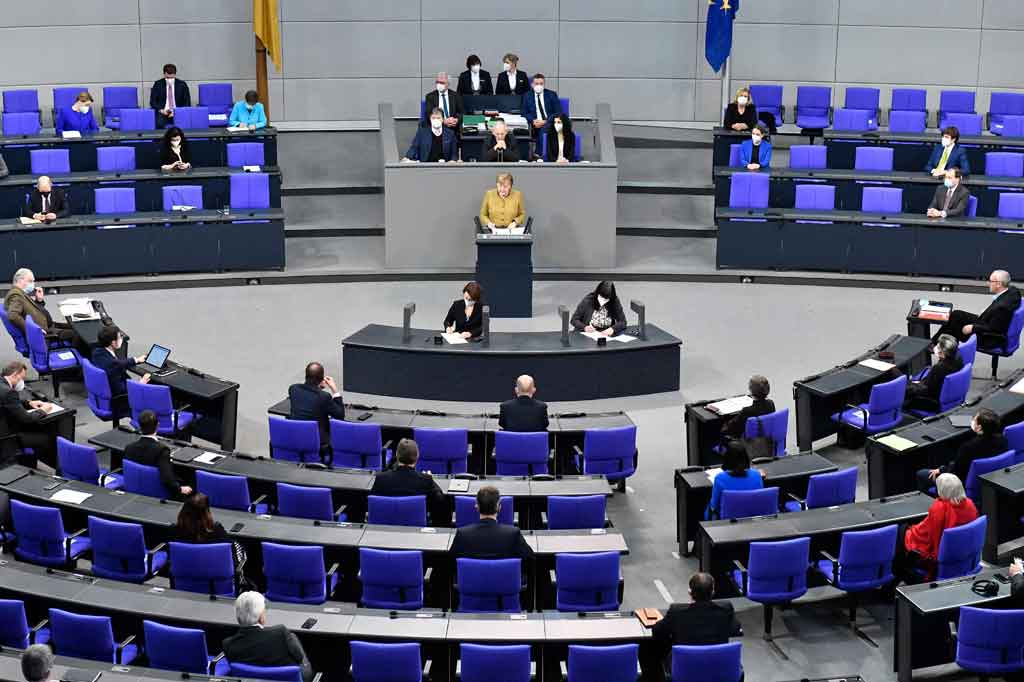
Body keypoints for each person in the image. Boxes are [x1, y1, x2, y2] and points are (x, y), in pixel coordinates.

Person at [641, 573, 742, 681]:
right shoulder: (726, 608)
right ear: (713, 592)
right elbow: (735, 628)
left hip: (685, 670)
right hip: (718, 667)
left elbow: (657, 631)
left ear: (690, 592)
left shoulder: (676, 611)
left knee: (648, 649)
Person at [898, 473, 977, 581]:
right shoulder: (970, 504)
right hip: (963, 553)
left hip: (932, 552)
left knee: (898, 532)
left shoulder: (939, 508)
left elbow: (934, 541)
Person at [223, 591, 314, 682]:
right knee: (293, 637)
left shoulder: (228, 644)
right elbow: (299, 658)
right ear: (261, 617)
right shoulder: (280, 633)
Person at [916, 408, 1007, 494]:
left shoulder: (968, 447)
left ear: (979, 427)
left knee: (921, 474)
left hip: (960, 484)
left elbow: (956, 472)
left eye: (974, 420)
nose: (972, 421)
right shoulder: (1002, 440)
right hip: (988, 480)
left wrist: (941, 470)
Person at [369, 438, 446, 524]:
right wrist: (431, 480)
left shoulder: (381, 478)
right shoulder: (425, 480)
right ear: (417, 456)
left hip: (385, 528)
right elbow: (440, 500)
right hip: (416, 530)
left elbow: (373, 503)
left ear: (396, 455)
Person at [933, 269, 1021, 343]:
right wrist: (988, 311)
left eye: (991, 281)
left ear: (999, 284)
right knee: (956, 315)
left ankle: (934, 345)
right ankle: (935, 343)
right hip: (986, 321)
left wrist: (973, 327)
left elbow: (994, 329)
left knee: (952, 327)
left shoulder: (1002, 307)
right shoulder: (1012, 291)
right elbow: (997, 316)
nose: (988, 283)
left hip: (987, 337)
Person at [0, 361, 59, 468]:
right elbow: (27, 418)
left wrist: (29, 403)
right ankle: (28, 465)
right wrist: (43, 410)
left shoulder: (2, 385)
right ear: (14, 375)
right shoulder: (9, 392)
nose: (22, 382)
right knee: (46, 438)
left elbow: (7, 403)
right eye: (21, 378)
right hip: (6, 436)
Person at [450, 486, 533, 560]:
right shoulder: (513, 534)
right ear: (499, 507)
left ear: (477, 507)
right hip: (503, 577)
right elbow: (530, 557)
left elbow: (450, 561)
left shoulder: (462, 534)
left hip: (472, 577)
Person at [124, 409, 192, 500]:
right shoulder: (162, 450)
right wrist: (180, 489)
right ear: (157, 426)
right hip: (157, 493)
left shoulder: (129, 448)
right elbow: (167, 479)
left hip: (136, 490)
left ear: (139, 426)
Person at [4, 268, 78, 348]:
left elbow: (31, 311)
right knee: (78, 334)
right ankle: (83, 358)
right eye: (30, 281)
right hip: (46, 332)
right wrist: (33, 330)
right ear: (21, 280)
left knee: (76, 327)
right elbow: (13, 316)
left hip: (48, 325)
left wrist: (39, 301)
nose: (33, 284)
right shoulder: (16, 295)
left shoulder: (20, 293)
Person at [91, 325, 150, 419]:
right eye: (120, 337)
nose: (122, 338)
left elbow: (118, 363)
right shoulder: (113, 365)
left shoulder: (97, 353)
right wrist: (140, 384)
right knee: (149, 395)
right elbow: (121, 390)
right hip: (118, 402)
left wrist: (136, 360)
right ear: (113, 343)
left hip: (100, 398)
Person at [288, 361, 344, 458]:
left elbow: (309, 398)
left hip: (296, 437)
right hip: (318, 442)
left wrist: (318, 387)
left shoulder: (293, 389)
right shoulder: (324, 397)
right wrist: (334, 390)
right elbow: (340, 415)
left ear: (306, 375)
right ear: (322, 379)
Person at [705, 442, 763, 520]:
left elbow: (714, 506)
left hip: (728, 524)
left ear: (727, 459)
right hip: (753, 521)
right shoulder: (756, 475)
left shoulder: (720, 478)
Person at [904, 334, 963, 411]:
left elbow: (926, 391)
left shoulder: (939, 368)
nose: (935, 348)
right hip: (943, 394)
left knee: (902, 390)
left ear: (942, 352)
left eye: (938, 347)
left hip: (931, 401)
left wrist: (909, 386)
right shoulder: (958, 359)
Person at [150, 63, 191, 128]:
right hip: (163, 112)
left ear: (175, 74)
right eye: (167, 78)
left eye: (171, 78)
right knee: (159, 123)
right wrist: (161, 110)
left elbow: (187, 102)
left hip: (178, 111)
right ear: (164, 74)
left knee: (183, 124)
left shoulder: (182, 85)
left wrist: (177, 112)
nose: (169, 80)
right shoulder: (158, 84)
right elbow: (153, 101)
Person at [521, 73, 561, 138]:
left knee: (544, 131)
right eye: (536, 84)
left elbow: (558, 112)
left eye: (541, 84)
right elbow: (524, 112)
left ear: (544, 85)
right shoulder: (527, 96)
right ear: (532, 85)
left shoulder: (552, 95)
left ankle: (540, 148)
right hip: (534, 124)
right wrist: (533, 120)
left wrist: (545, 122)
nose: (539, 86)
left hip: (550, 123)